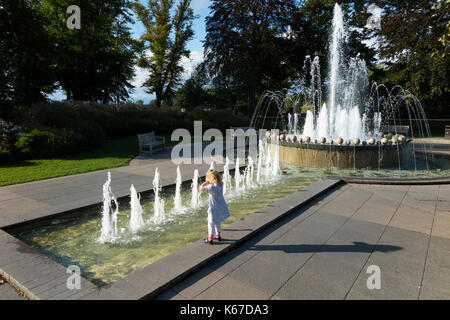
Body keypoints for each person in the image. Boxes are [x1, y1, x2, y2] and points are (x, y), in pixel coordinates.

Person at [200, 169, 230, 244]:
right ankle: (218, 235)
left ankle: (210, 238)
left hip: (214, 208)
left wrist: (206, 182)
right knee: (218, 221)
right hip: (221, 206)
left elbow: (201, 188)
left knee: (211, 223)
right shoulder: (221, 184)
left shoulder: (211, 187)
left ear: (210, 179)